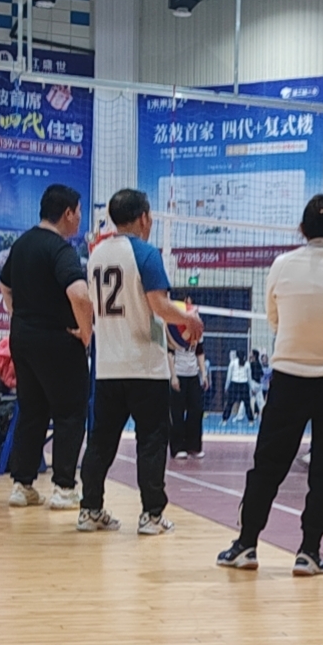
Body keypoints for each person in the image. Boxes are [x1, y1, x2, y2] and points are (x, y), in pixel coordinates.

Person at [217, 192, 323, 576]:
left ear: (301, 229)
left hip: (289, 380)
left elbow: (275, 319)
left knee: (267, 465)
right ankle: (309, 553)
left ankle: (246, 545)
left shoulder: (281, 265)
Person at [78, 188, 203, 536]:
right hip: (145, 366)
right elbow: (159, 306)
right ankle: (151, 516)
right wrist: (189, 319)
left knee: (100, 442)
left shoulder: (96, 254)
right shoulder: (146, 254)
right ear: (145, 217)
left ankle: (89, 509)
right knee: (151, 441)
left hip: (107, 367)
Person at [0, 182, 93, 509]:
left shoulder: (21, 243)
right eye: (78, 212)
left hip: (22, 339)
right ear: (67, 213)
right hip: (57, 340)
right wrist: (86, 333)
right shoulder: (61, 250)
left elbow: (4, 284)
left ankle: (22, 485)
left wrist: (20, 316)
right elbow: (80, 294)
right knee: (70, 413)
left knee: (31, 411)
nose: (79, 218)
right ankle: (64, 489)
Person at [169, 313, 208, 460]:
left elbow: (200, 352)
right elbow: (169, 354)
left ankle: (194, 446)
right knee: (177, 412)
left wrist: (203, 373)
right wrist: (173, 376)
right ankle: (178, 447)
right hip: (178, 374)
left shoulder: (197, 331)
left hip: (193, 375)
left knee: (196, 410)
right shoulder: (174, 330)